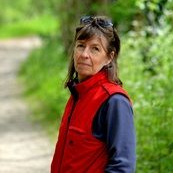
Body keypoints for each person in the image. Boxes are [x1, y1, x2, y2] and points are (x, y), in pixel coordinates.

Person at [51, 16, 136, 173]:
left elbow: (123, 167)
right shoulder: (78, 94)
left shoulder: (114, 101)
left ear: (109, 57)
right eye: (81, 46)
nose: (84, 54)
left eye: (95, 49)